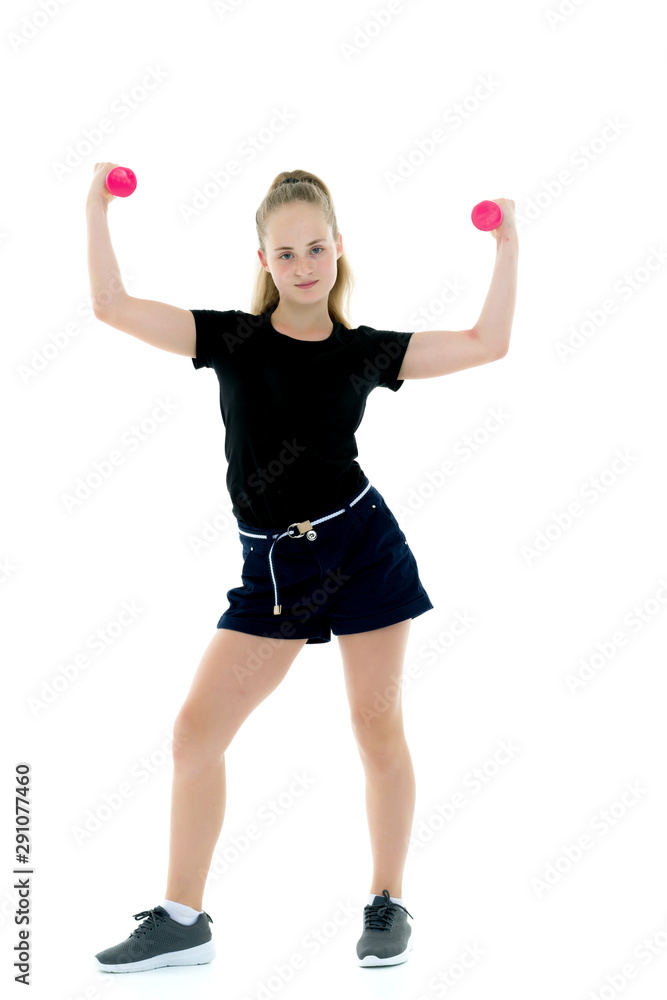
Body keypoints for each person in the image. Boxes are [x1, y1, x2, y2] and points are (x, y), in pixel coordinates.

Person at [86, 164, 518, 972]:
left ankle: (385, 903)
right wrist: (96, 207)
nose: (303, 265)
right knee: (194, 735)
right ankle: (183, 919)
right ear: (262, 259)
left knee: (373, 723)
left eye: (315, 247)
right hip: (274, 570)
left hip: (361, 547)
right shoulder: (231, 340)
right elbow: (110, 307)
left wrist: (506, 245)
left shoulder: (364, 352)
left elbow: (485, 344)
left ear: (337, 247)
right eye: (285, 253)